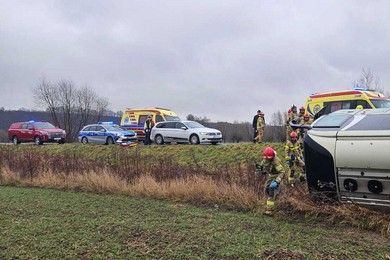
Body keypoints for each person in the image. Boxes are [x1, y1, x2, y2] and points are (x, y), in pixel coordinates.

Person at [257, 147, 285, 216]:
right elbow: (262, 165)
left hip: (277, 176)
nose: (267, 158)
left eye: (269, 157)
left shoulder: (276, 161)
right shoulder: (265, 159)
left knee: (271, 190)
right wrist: (259, 170)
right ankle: (275, 201)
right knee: (266, 189)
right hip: (271, 176)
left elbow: (282, 172)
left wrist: (277, 182)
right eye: (266, 157)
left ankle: (270, 211)